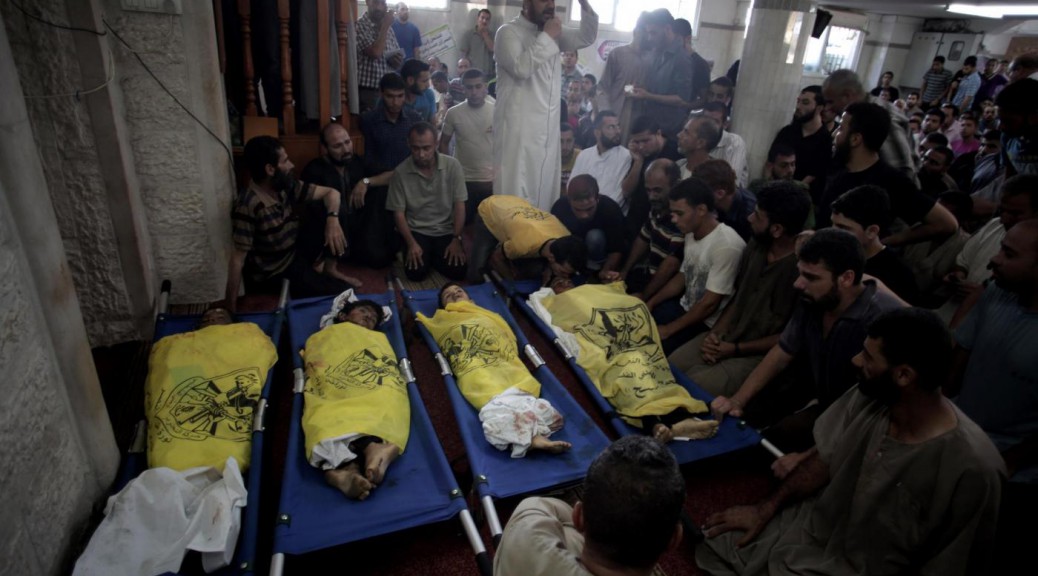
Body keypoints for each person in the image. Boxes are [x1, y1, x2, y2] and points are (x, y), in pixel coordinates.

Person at [698, 306, 1004, 576]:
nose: (856, 360)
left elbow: (951, 563)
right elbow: (823, 460)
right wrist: (764, 510)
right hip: (817, 531)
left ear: (904, 376)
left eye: (869, 357)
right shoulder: (870, 395)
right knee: (717, 545)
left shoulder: (974, 468)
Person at [711, 229, 904, 449]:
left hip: (862, 418)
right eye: (800, 273)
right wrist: (738, 400)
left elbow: (880, 407)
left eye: (811, 277)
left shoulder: (882, 320)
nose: (798, 284)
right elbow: (783, 352)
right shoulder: (813, 299)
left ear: (846, 278)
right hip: (819, 395)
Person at [952, 218, 1038, 574]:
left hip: (1012, 466)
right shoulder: (996, 292)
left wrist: (1011, 461)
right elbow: (959, 359)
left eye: (1009, 253)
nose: (993, 260)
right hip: (961, 437)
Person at [670, 181, 810, 398]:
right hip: (728, 336)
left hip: (755, 354)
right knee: (670, 366)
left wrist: (734, 349)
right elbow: (737, 300)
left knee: (693, 388)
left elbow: (788, 339)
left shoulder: (803, 271)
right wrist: (715, 336)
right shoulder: (756, 246)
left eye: (758, 216)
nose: (749, 218)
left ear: (777, 229)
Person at [535, 279, 720, 442]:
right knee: (623, 373)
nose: (565, 284)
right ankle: (661, 423)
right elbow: (558, 317)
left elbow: (621, 299)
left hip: (630, 339)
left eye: (568, 281)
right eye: (558, 283)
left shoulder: (596, 290)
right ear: (553, 290)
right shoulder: (558, 302)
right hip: (607, 346)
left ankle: (665, 423)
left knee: (646, 364)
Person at [494, 436, 685, 576]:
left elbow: (537, 505)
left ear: (578, 516)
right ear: (675, 539)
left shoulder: (527, 536)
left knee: (563, 527)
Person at [419, 283, 572, 458]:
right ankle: (533, 437)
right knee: (494, 404)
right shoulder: (443, 319)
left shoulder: (489, 315)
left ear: (471, 300)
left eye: (459, 291)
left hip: (504, 362)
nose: (454, 294)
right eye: (448, 296)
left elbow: (503, 335)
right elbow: (436, 327)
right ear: (443, 308)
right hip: (474, 365)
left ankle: (528, 436)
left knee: (538, 405)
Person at [493, 0, 599, 212]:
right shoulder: (507, 32)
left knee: (544, 191)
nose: (550, 5)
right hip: (519, 132)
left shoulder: (553, 32)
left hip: (548, 130)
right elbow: (521, 67)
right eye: (543, 0)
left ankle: (542, 241)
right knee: (516, 191)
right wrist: (548, 37)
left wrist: (584, 4)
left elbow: (586, 36)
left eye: (552, 0)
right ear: (526, 3)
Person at [226, 136, 348, 310]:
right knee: (341, 294)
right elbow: (237, 260)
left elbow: (332, 193)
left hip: (294, 250)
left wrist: (332, 220)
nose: (291, 165)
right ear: (270, 169)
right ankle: (312, 278)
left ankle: (328, 268)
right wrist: (229, 309)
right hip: (276, 271)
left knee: (334, 209)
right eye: (285, 161)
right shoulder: (248, 205)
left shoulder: (283, 185)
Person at [303, 300, 408, 500]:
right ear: (342, 316)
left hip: (367, 374)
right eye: (363, 311)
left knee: (385, 393)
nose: (369, 317)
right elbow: (317, 355)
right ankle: (364, 454)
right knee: (325, 407)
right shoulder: (326, 335)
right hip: (334, 374)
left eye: (374, 318)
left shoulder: (376, 338)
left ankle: (345, 467)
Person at [816, 101, 958, 248]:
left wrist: (885, 243)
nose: (834, 134)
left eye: (840, 128)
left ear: (855, 139)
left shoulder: (891, 180)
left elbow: (946, 224)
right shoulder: (838, 168)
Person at [648, 177, 746, 354]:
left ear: (701, 209)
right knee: (634, 325)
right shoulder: (692, 232)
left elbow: (709, 305)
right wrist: (651, 302)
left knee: (651, 350)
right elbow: (683, 276)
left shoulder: (726, 245)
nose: (674, 220)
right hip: (684, 307)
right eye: (673, 213)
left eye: (680, 213)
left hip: (706, 324)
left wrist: (669, 330)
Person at [938, 174, 1038, 324]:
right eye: (1002, 210)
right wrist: (959, 274)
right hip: (948, 314)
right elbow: (964, 260)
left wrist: (986, 293)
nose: (1005, 218)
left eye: (1015, 213)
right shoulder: (994, 225)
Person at [301, 123, 394, 270]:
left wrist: (366, 182)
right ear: (325, 149)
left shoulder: (357, 161)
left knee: (380, 259)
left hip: (359, 229)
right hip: (330, 229)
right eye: (337, 146)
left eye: (347, 142)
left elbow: (392, 175)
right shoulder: (314, 170)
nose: (346, 150)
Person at [387, 123, 468, 281]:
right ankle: (420, 252)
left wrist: (457, 238)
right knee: (415, 274)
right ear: (408, 145)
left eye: (426, 148)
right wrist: (411, 243)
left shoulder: (453, 166)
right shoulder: (400, 172)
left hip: (445, 229)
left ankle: (431, 255)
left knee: (459, 271)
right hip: (417, 231)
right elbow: (398, 214)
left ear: (436, 144)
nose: (421, 154)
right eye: (416, 148)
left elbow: (459, 205)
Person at [822, 69, 919, 180]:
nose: (828, 108)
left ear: (847, 96)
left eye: (831, 102)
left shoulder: (881, 117)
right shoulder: (854, 115)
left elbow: (900, 172)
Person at [830, 185, 920, 304]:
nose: (833, 233)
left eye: (843, 228)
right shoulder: (830, 257)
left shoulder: (898, 276)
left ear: (872, 231)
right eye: (833, 224)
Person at [471, 194, 588, 284]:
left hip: (517, 206)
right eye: (562, 272)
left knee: (534, 270)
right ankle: (503, 248)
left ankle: (508, 250)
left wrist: (550, 270)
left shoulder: (566, 236)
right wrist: (512, 281)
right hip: (491, 208)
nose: (565, 278)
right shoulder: (522, 245)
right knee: (476, 276)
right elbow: (496, 258)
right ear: (551, 258)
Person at [618, 159, 684, 300]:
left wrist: (644, 297)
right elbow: (643, 239)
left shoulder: (682, 218)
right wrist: (623, 273)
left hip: (666, 290)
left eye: (657, 190)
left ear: (676, 185)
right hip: (648, 275)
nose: (651, 196)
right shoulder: (658, 207)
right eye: (648, 190)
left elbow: (670, 267)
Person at [440, 68, 495, 225]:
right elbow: (443, 142)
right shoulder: (453, 113)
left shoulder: (497, 111)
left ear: (485, 87)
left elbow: (505, 144)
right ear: (463, 89)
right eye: (469, 87)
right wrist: (448, 171)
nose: (474, 91)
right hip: (463, 181)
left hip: (491, 181)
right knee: (462, 226)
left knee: (489, 227)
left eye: (478, 86)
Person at [628, 9, 692, 140]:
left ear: (667, 29)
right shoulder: (657, 52)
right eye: (648, 33)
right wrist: (640, 88)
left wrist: (648, 95)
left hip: (669, 131)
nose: (649, 38)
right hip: (651, 125)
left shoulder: (681, 58)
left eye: (653, 33)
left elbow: (681, 99)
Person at [552, 175, 626, 280]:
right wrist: (554, 263)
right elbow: (551, 238)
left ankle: (594, 271)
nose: (584, 215)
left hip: (599, 253)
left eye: (589, 209)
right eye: (578, 209)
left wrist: (606, 272)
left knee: (594, 237)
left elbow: (616, 249)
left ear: (597, 199)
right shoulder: (560, 207)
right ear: (569, 201)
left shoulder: (610, 209)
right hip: (572, 251)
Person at [623, 116, 683, 239]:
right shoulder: (639, 154)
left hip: (663, 218)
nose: (640, 146)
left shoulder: (675, 152)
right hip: (636, 216)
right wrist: (638, 161)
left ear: (659, 133)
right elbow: (626, 191)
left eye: (645, 141)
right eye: (637, 142)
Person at [770, 85, 832, 204]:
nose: (798, 107)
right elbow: (770, 163)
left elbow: (814, 175)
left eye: (805, 103)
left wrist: (791, 193)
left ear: (819, 108)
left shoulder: (824, 139)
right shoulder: (787, 132)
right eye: (798, 102)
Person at [595, 12, 650, 141]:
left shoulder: (652, 60)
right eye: (645, 33)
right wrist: (607, 117)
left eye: (651, 34)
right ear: (636, 31)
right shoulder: (617, 54)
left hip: (639, 120)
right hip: (616, 115)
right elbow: (602, 88)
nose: (648, 38)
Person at [569, 111, 634, 213]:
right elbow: (572, 186)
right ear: (597, 132)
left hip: (608, 214)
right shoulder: (584, 155)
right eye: (611, 127)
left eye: (618, 126)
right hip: (580, 211)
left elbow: (618, 197)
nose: (618, 131)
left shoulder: (626, 156)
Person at [360, 72, 424, 172]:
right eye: (390, 96)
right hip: (379, 181)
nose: (395, 102)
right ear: (381, 94)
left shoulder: (414, 119)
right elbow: (369, 160)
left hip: (409, 179)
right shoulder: (369, 120)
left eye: (400, 96)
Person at [356, 0, 404, 112]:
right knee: (369, 128)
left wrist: (396, 61)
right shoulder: (359, 26)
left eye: (382, 3)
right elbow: (375, 52)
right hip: (367, 91)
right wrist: (385, 25)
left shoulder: (389, 30)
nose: (379, 8)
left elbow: (395, 58)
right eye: (375, 2)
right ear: (368, 2)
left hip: (387, 91)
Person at [693, 159, 755, 242]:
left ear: (720, 194)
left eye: (700, 192)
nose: (696, 197)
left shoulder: (749, 217)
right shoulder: (720, 202)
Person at [996, 78, 1038, 176]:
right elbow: (1008, 175)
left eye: (1008, 121)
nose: (1001, 127)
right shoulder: (1008, 138)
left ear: (1035, 116)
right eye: (1000, 120)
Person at [702, 102, 749, 188]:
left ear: (725, 125)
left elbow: (731, 184)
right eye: (706, 120)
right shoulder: (699, 138)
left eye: (715, 122)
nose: (709, 126)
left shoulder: (734, 142)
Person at [673, 17, 711, 108]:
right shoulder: (671, 58)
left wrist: (684, 105)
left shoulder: (700, 65)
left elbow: (703, 99)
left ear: (688, 38)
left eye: (676, 39)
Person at [676, 115, 723, 179]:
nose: (678, 135)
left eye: (686, 132)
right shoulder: (677, 167)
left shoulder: (716, 177)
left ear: (700, 143)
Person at [459, 9, 495, 81]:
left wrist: (485, 35)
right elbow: (463, 55)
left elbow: (493, 49)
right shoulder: (468, 34)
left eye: (487, 19)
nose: (484, 21)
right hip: (472, 74)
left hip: (488, 75)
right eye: (482, 18)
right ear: (478, 18)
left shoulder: (493, 35)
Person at [559, 123, 581, 193]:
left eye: (569, 141)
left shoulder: (582, 157)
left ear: (574, 141)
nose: (564, 147)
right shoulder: (548, 158)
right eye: (561, 141)